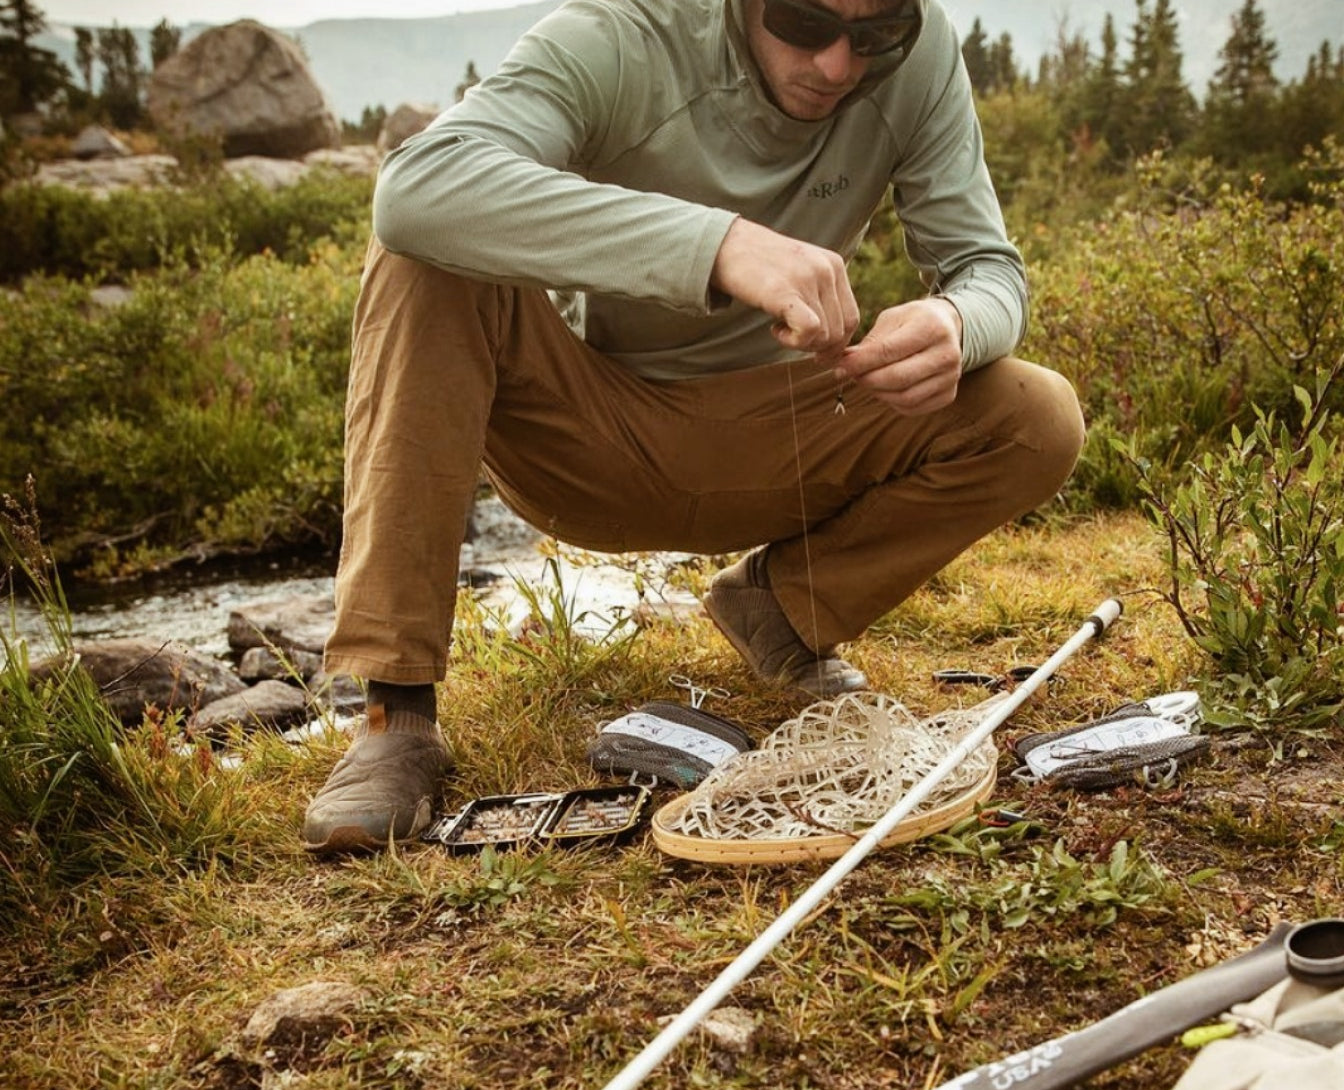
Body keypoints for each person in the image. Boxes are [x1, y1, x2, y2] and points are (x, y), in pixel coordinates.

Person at [302, 0, 1086, 855]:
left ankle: (780, 613)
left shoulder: (922, 51)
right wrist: (719, 247)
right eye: (804, 20)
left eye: (874, 36)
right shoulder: (622, 34)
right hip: (590, 433)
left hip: (782, 426)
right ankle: (397, 709)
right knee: (423, 254)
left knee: (1034, 414)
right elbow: (420, 185)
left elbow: (987, 268)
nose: (838, 65)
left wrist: (958, 324)